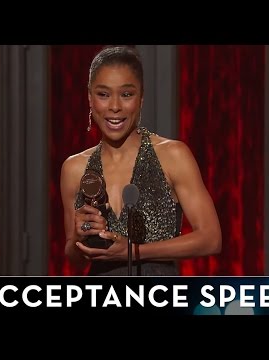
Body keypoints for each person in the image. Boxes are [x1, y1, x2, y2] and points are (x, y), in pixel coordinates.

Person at [60, 46, 222, 276]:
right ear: (89, 97)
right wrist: (79, 236)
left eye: (126, 94)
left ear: (141, 97)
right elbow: (74, 258)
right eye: (103, 94)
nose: (115, 106)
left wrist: (133, 251)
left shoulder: (172, 155)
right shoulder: (74, 168)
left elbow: (211, 238)